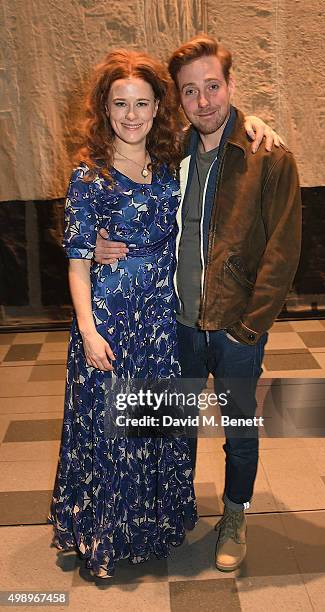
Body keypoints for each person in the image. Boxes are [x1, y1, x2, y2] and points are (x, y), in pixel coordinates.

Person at [95, 35, 302, 573]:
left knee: (239, 432)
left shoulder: (268, 157)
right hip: (178, 326)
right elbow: (115, 190)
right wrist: (92, 241)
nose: (205, 101)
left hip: (235, 329)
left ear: (231, 86)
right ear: (178, 100)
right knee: (177, 426)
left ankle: (235, 517)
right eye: (191, 91)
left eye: (214, 86)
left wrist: (249, 330)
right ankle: (177, 508)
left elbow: (282, 253)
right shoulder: (171, 154)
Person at [47, 49, 199, 579]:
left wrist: (260, 122)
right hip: (110, 322)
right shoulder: (89, 177)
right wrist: (87, 331)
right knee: (113, 432)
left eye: (141, 102)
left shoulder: (173, 165)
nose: (131, 115)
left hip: (161, 321)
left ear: (159, 106)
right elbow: (77, 265)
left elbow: (222, 129)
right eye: (120, 104)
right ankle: (108, 531)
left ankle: (153, 523)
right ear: (104, 109)